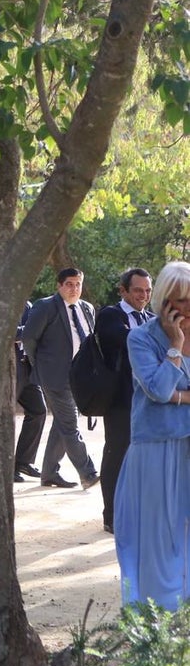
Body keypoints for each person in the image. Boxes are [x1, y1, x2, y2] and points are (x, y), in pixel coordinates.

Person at [115, 261, 190, 611]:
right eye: (180, 301)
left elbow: (167, 391)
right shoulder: (142, 337)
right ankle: (157, 617)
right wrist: (175, 346)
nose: (187, 308)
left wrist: (180, 395)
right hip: (155, 448)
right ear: (163, 301)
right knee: (157, 538)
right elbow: (159, 390)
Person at [22, 267, 100, 490]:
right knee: (70, 424)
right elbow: (29, 338)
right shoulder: (46, 306)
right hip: (55, 377)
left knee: (62, 424)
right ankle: (88, 473)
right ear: (59, 285)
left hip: (80, 376)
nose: (74, 289)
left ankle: (49, 474)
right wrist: (41, 366)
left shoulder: (87, 308)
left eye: (78, 284)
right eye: (69, 284)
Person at [96, 268, 153, 533]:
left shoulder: (151, 318)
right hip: (120, 401)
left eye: (148, 291)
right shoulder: (110, 315)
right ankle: (112, 516)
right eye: (138, 290)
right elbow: (127, 339)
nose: (144, 296)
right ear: (124, 290)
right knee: (117, 456)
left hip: (150, 401)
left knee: (146, 459)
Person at [13, 300, 47, 483]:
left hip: (28, 368)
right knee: (6, 419)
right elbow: (8, 332)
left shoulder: (27, 305)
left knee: (39, 410)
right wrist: (30, 331)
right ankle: (5, 467)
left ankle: (23, 462)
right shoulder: (0, 303)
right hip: (10, 368)